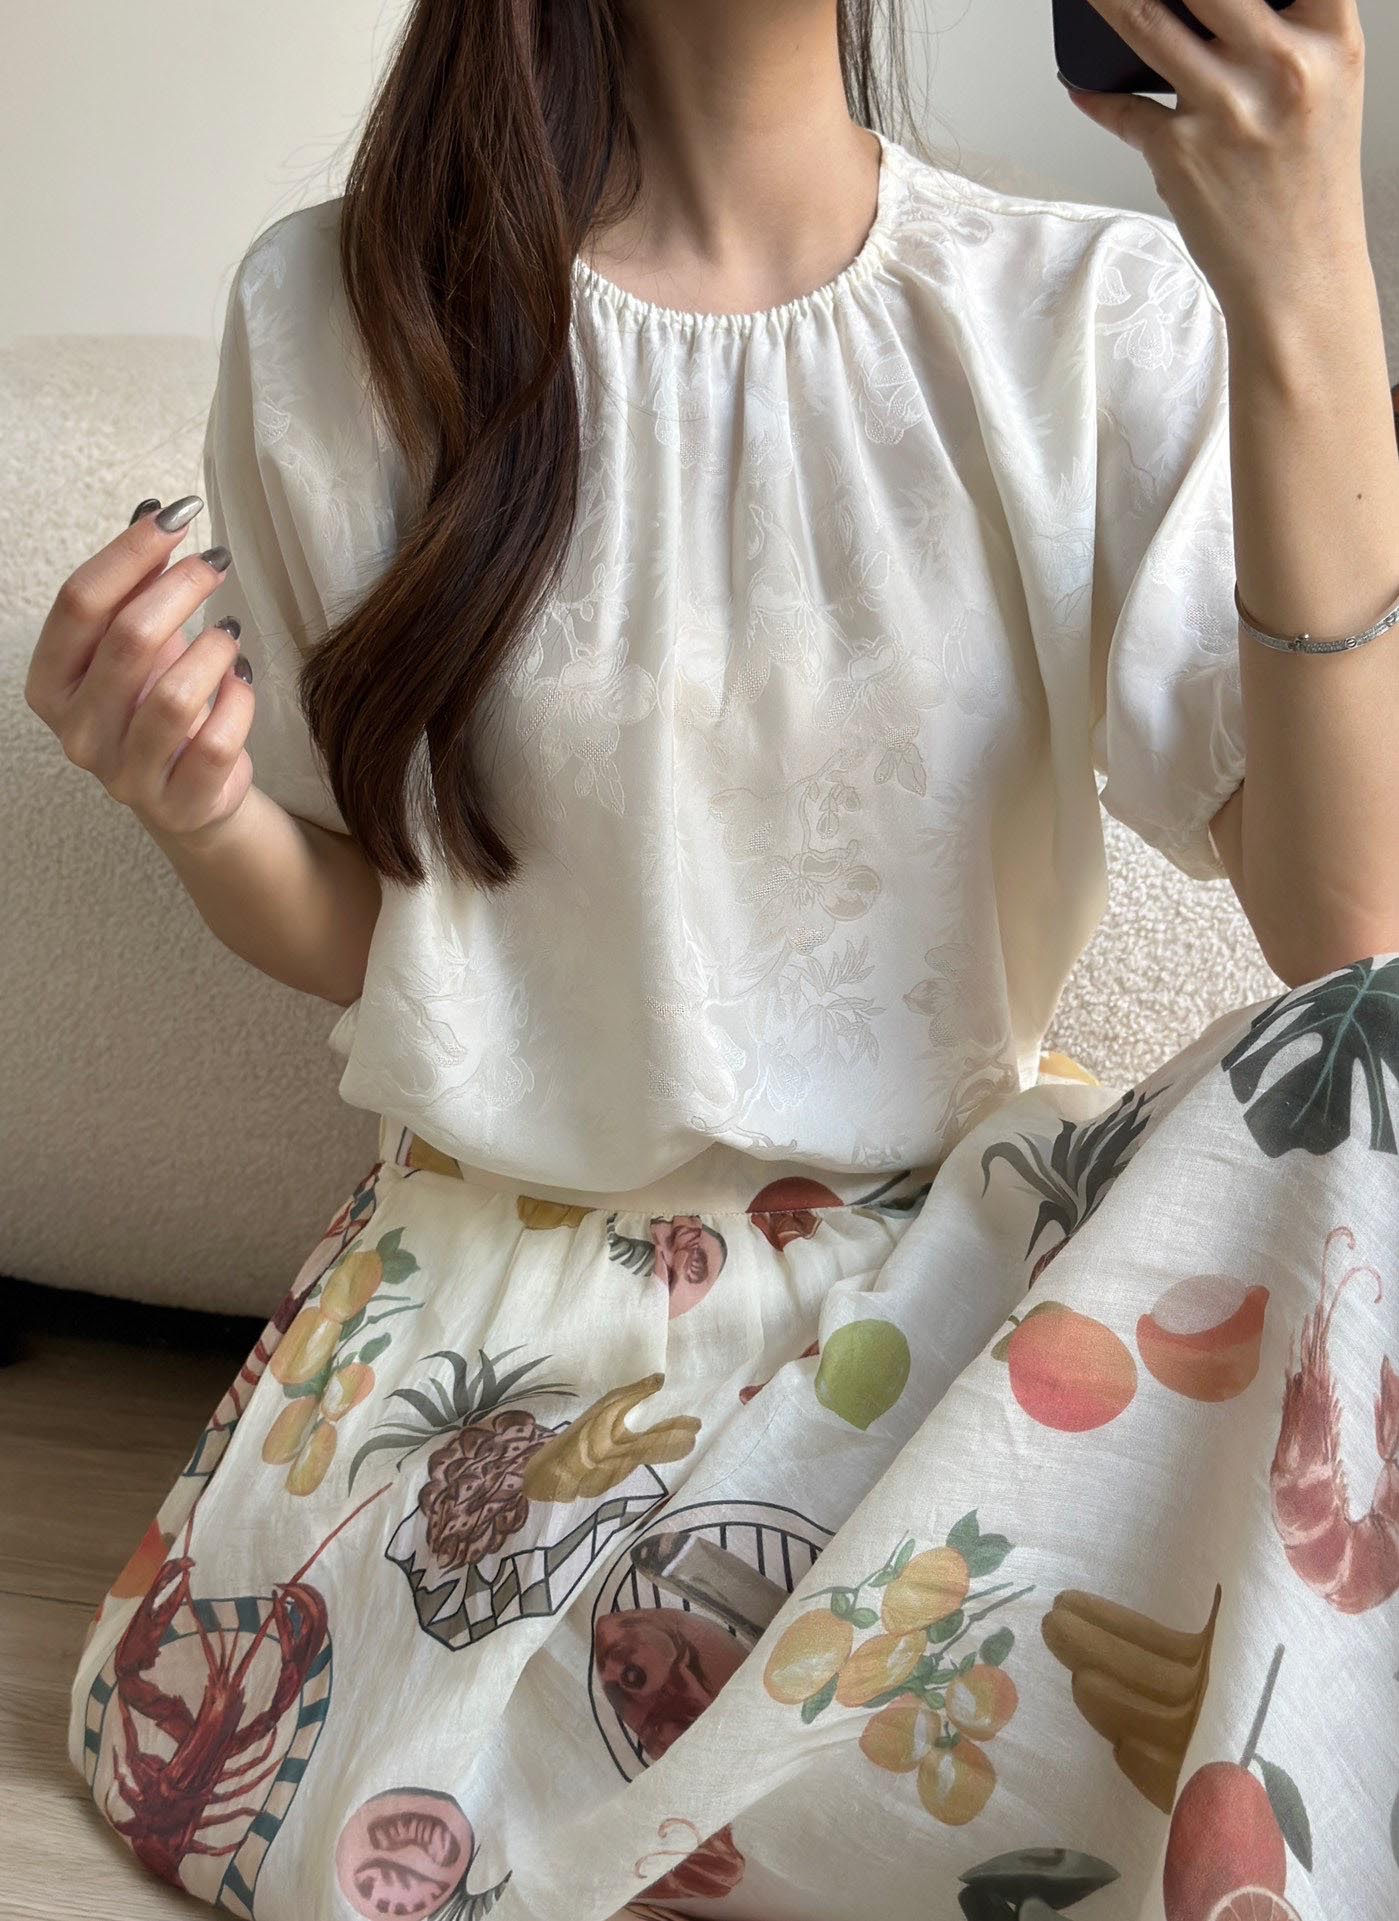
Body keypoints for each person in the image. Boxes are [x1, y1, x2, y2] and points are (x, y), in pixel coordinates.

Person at [28, 1, 1399, 1916]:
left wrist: (1309, 273)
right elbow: (394, 939)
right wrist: (198, 810)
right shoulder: (343, 318)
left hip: (949, 1344)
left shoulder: (1090, 314)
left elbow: (1353, 958)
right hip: (517, 1368)